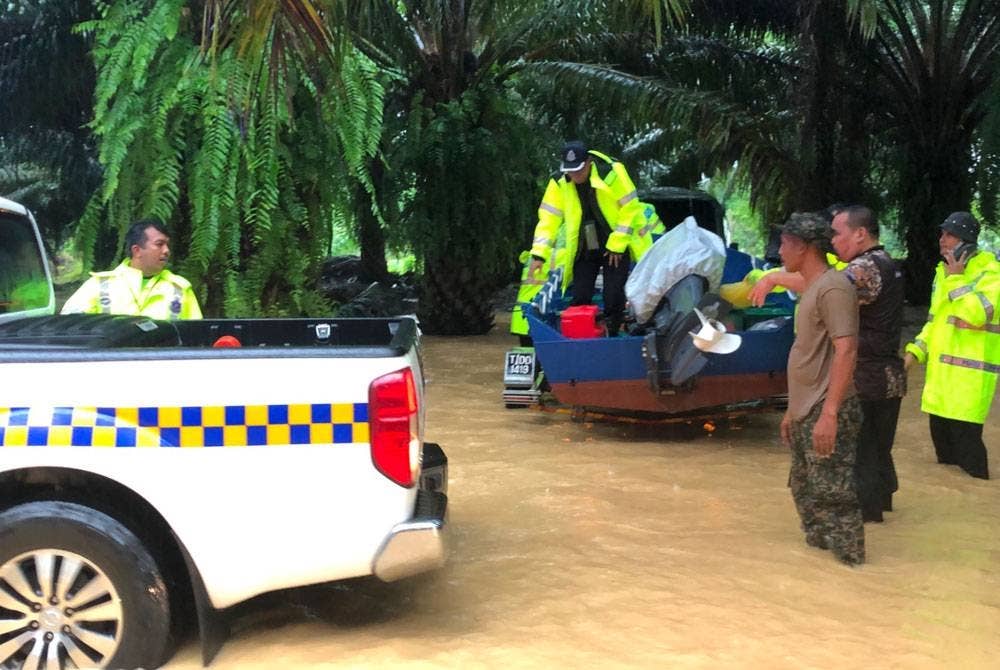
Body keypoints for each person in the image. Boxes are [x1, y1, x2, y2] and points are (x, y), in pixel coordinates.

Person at [750, 206, 905, 522]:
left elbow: (820, 285)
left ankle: (866, 530)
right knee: (876, 453)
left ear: (860, 233)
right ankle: (881, 523)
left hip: (866, 377)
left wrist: (774, 278)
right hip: (886, 377)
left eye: (838, 233)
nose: (832, 242)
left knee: (859, 461)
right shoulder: (888, 263)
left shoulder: (865, 268)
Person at [778, 212, 865, 565]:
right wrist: (790, 411)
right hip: (805, 407)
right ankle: (820, 572)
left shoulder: (833, 288)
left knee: (834, 494)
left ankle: (851, 569)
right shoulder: (812, 287)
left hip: (826, 407)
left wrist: (829, 414)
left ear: (803, 248)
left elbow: (847, 350)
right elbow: (808, 353)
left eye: (784, 244)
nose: (780, 251)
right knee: (804, 489)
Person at [903, 212, 1000, 480]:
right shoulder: (943, 272)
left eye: (950, 235)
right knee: (945, 465)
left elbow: (977, 314)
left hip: (969, 385)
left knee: (970, 462)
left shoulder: (992, 274)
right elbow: (936, 322)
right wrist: (914, 353)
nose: (942, 240)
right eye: (942, 234)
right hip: (940, 384)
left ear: (967, 241)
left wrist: (956, 280)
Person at [525, 140, 647, 336]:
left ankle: (613, 332)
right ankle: (581, 336)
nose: (575, 175)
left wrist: (617, 245)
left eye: (579, 170)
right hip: (585, 245)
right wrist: (539, 255)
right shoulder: (559, 182)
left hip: (614, 244)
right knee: (580, 295)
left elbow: (631, 209)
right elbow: (548, 220)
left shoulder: (612, 173)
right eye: (570, 171)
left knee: (613, 295)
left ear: (589, 162)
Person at [62, 219, 202, 319]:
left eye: (167, 245)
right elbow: (67, 327)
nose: (166, 250)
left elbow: (197, 338)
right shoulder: (100, 285)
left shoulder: (180, 288)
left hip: (163, 360)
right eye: (159, 244)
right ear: (137, 251)